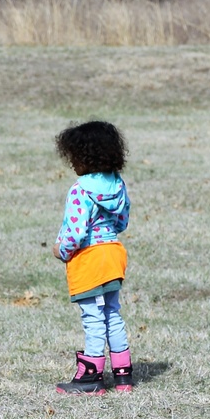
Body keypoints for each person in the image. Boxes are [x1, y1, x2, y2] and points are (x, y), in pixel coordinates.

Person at [52, 121, 132, 394]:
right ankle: (123, 376)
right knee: (113, 313)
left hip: (89, 257)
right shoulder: (117, 184)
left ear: (84, 157)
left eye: (73, 157)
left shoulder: (80, 189)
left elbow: (75, 233)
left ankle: (91, 377)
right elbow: (122, 222)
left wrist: (61, 250)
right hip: (113, 254)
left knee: (92, 317)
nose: (72, 163)